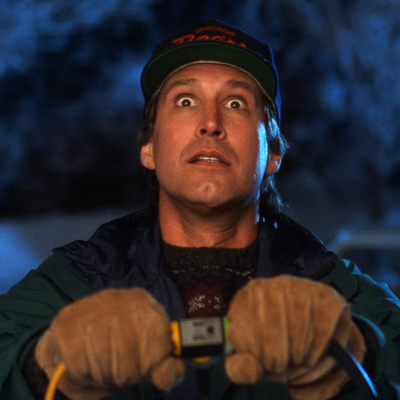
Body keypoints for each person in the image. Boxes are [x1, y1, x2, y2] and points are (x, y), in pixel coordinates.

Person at [0, 19, 399, 400]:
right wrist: (47, 364)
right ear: (149, 147)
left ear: (273, 152)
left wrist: (352, 351)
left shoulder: (335, 295)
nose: (210, 123)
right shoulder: (76, 282)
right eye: (185, 101)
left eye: (236, 103)